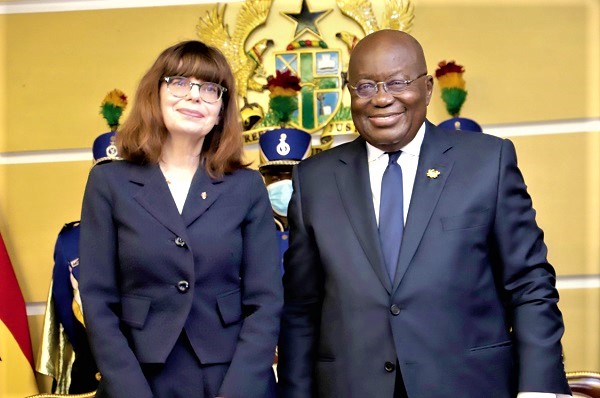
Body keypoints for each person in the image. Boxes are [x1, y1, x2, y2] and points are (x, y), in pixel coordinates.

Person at [277, 29, 571, 398]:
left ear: (428, 88)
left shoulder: (486, 163)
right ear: (349, 93)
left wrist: (539, 388)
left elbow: (529, 284)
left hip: (471, 386)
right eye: (365, 86)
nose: (382, 99)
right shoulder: (314, 181)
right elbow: (301, 311)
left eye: (398, 82)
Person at [79, 40, 283, 398]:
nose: (194, 96)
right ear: (154, 94)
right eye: (179, 82)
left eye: (209, 88)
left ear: (221, 110)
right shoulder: (109, 183)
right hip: (140, 376)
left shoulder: (246, 187)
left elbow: (265, 302)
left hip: (230, 375)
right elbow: (97, 301)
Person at [258, 127, 312, 273]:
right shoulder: (252, 225)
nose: (284, 183)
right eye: (274, 177)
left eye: (291, 176)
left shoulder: (322, 224)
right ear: (264, 179)